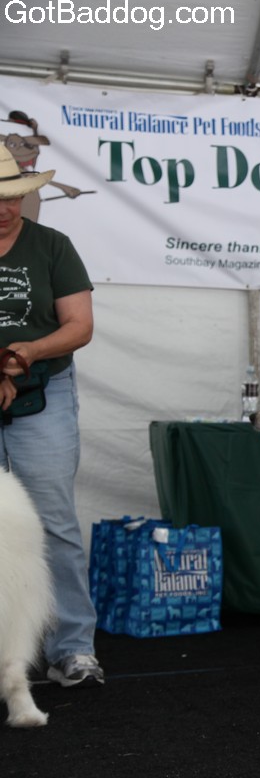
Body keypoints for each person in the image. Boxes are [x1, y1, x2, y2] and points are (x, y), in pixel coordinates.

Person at [0, 144, 102, 687]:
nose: (4, 209)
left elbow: (79, 326)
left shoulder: (52, 246)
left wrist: (29, 352)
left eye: (12, 197)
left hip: (43, 390)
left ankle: (72, 646)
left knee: (53, 521)